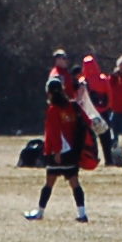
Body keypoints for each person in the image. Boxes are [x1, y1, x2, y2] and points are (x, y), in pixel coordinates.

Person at [27, 73, 97, 220]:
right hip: (73, 151)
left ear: (49, 93)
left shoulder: (53, 110)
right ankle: (82, 213)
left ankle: (40, 212)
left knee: (49, 183)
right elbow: (87, 121)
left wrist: (57, 152)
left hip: (58, 152)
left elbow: (54, 132)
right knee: (74, 182)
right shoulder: (73, 106)